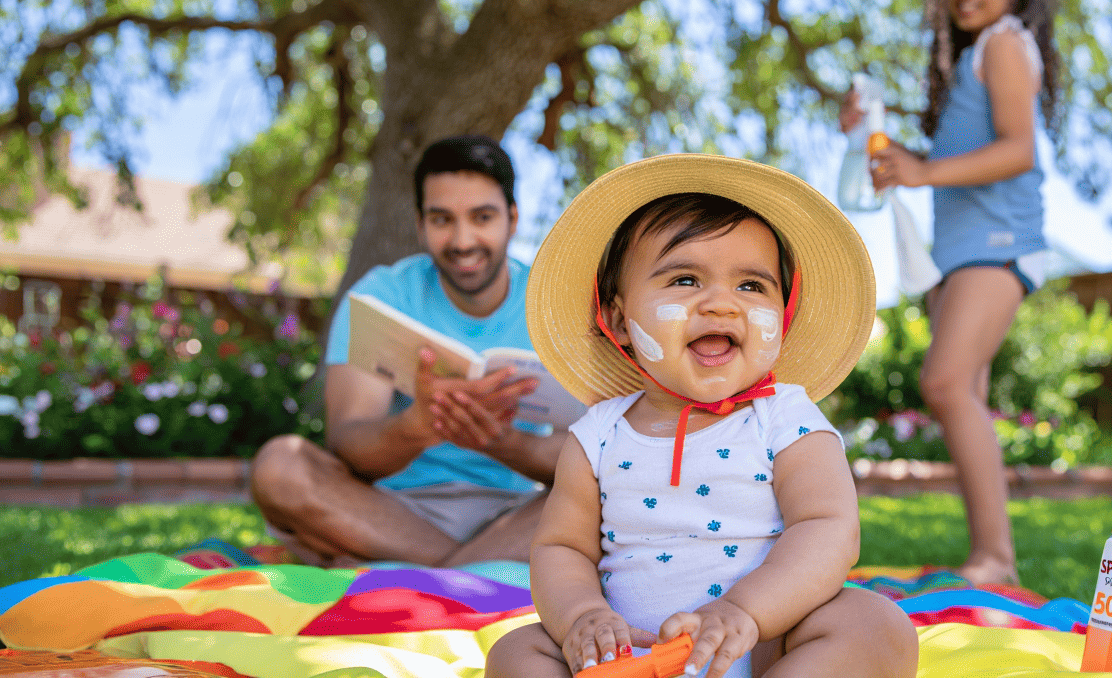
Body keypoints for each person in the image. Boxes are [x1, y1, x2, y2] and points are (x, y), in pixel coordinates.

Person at [486, 154, 918, 678]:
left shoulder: (785, 419)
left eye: (752, 286)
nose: (721, 303)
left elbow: (828, 528)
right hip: (630, 658)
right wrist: (583, 615)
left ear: (782, 317)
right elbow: (561, 547)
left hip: (757, 650)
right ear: (620, 321)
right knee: (516, 653)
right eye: (686, 280)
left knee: (874, 623)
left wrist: (746, 611)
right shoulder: (599, 435)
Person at [840, 0, 1062, 588]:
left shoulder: (1004, 44)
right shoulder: (973, 57)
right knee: (963, 392)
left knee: (943, 384)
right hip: (963, 251)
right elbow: (958, 152)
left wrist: (922, 171)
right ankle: (987, 554)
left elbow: (1019, 149)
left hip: (997, 248)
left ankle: (996, 557)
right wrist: (878, 141)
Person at [249, 135, 567, 568]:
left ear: (512, 219)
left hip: (519, 513)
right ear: (420, 224)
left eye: (482, 217)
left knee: (612, 488)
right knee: (279, 465)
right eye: (442, 219)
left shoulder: (556, 307)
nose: (462, 240)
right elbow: (348, 442)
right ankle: (474, 571)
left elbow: (595, 452)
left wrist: (504, 442)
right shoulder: (382, 296)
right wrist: (418, 427)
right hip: (396, 513)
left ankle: (409, 568)